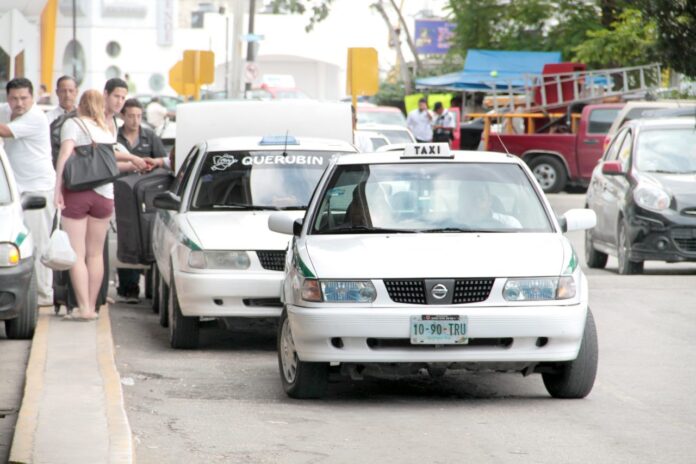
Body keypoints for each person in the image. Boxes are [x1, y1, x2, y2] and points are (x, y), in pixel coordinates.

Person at [53, 90, 139, 320]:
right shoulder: (106, 129)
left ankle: (83, 309)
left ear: (81, 104)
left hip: (77, 194)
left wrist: (57, 188)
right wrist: (132, 159)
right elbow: (113, 159)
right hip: (104, 196)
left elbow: (64, 154)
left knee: (77, 254)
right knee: (95, 255)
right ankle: (92, 306)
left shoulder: (73, 124)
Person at [0, 78, 57, 306]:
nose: (19, 103)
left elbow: (4, 131)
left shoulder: (36, 118)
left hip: (38, 190)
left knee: (38, 244)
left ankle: (44, 296)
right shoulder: (5, 110)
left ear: (32, 98)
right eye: (14, 98)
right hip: (13, 194)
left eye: (24, 98)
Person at [116, 98, 168, 303]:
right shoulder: (115, 137)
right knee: (126, 237)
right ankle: (128, 287)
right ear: (123, 116)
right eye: (131, 116)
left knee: (145, 238)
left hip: (146, 198)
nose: (135, 120)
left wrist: (150, 166)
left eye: (139, 116)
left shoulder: (150, 136)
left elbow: (163, 163)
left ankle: (151, 287)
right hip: (122, 196)